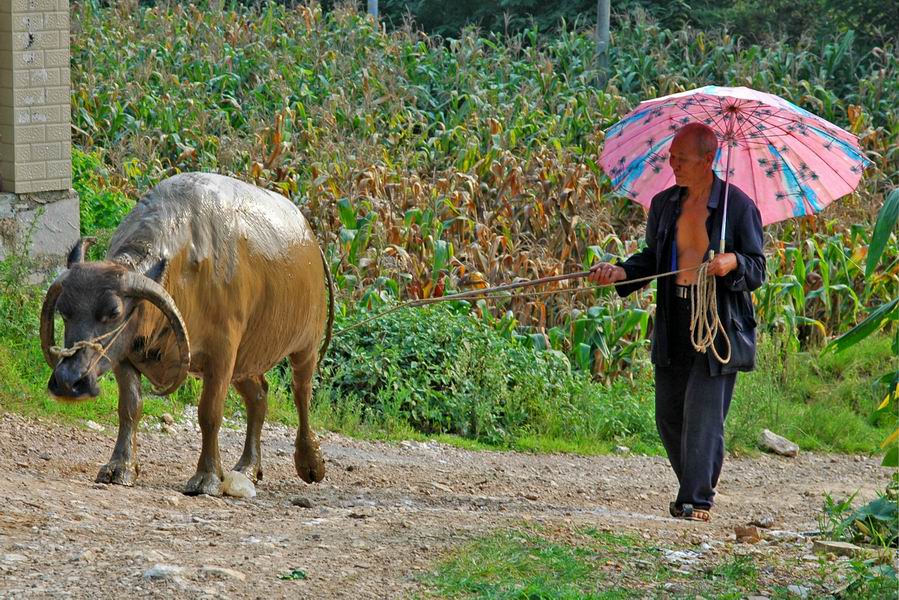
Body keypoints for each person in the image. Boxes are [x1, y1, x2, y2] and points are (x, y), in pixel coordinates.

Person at [589, 123, 765, 522]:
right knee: (668, 414)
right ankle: (695, 485)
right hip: (675, 315)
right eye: (670, 158)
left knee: (703, 414)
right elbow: (653, 258)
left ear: (709, 160)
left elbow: (757, 268)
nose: (673, 166)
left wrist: (732, 261)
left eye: (681, 160)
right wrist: (621, 273)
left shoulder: (737, 207)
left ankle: (695, 500)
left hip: (718, 323)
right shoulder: (665, 204)